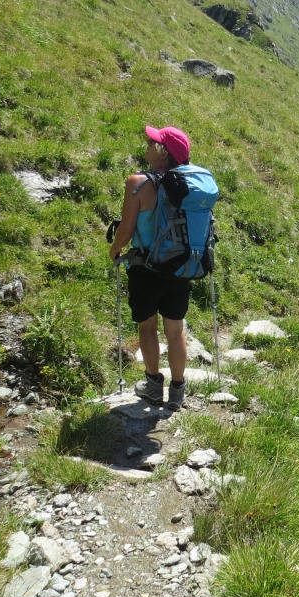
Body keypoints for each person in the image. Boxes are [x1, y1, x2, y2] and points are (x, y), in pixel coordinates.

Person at [108, 125, 194, 410]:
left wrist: (114, 249)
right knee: (175, 330)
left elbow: (126, 230)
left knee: (147, 328)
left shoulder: (138, 183)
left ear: (162, 153)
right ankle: (178, 391)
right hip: (181, 266)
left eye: (151, 142)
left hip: (146, 268)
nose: (147, 144)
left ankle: (154, 386)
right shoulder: (191, 183)